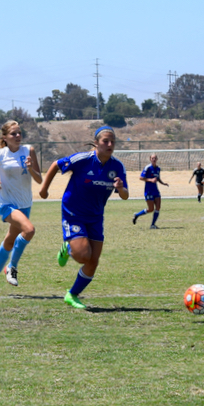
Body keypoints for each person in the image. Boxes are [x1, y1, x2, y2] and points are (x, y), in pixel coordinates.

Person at [39, 125, 129, 309]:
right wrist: (43, 189)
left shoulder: (117, 166)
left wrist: (120, 188)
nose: (110, 144)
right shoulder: (83, 159)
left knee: (93, 262)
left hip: (96, 217)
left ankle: (72, 295)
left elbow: (125, 195)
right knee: (82, 256)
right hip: (74, 213)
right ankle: (68, 247)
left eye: (112, 141)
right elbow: (56, 165)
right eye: (105, 141)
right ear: (96, 143)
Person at [0, 121, 42, 293]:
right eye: (13, 134)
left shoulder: (29, 150)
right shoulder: (0, 154)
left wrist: (31, 169)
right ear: (5, 137)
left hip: (25, 204)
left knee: (10, 240)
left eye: (19, 133)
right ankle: (12, 267)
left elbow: (39, 179)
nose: (18, 136)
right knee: (29, 230)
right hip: (7, 204)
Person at [132, 153, 169, 228]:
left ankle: (152, 225)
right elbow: (141, 178)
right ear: (150, 159)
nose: (154, 159)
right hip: (148, 191)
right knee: (151, 209)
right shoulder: (147, 168)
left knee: (158, 207)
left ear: (157, 159)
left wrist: (163, 183)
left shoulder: (158, 169)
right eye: (152, 158)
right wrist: (150, 180)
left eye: (155, 158)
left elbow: (157, 178)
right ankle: (137, 215)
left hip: (155, 190)